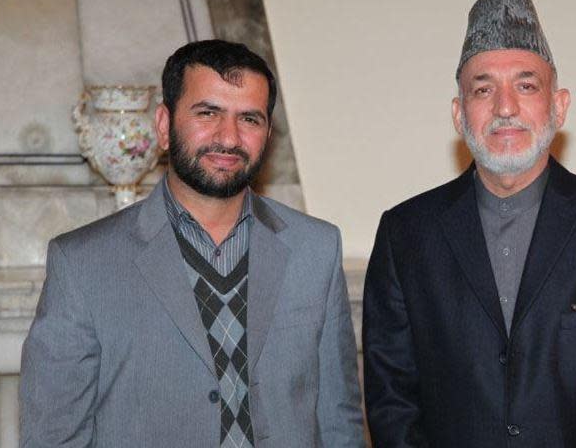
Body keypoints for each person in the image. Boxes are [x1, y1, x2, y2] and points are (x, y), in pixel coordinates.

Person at [362, 0, 576, 447]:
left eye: (526, 85)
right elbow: (391, 401)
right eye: (483, 88)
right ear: (458, 114)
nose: (504, 107)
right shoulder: (405, 235)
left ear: (559, 105)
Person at [20, 39, 365, 447]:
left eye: (249, 119)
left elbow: (339, 423)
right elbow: (52, 438)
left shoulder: (316, 249)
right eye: (208, 113)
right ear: (164, 125)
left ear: (267, 134)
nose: (229, 137)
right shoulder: (81, 264)